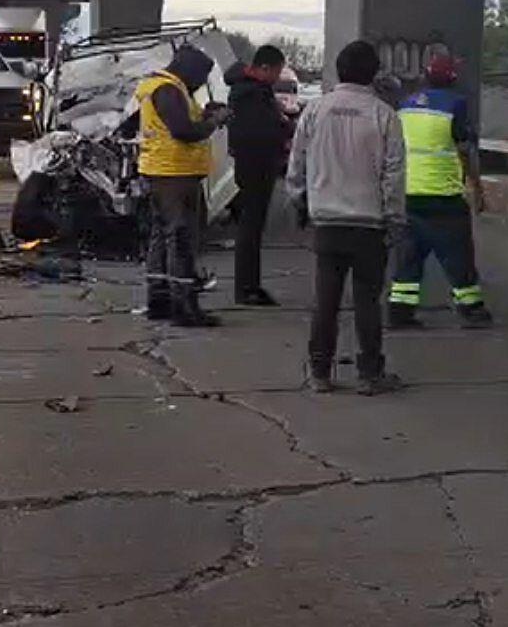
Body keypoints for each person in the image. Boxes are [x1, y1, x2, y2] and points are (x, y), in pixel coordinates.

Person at [286, 40, 407, 395]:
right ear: (373, 73)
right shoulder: (384, 115)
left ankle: (320, 373)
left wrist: (300, 201)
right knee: (367, 300)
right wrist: (394, 217)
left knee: (326, 301)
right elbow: (394, 173)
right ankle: (370, 374)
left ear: (338, 70)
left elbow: (297, 163)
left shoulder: (315, 111)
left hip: (327, 221)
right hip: (369, 223)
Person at [388, 53, 493, 329]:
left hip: (409, 194)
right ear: (453, 78)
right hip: (442, 196)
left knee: (408, 258)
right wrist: (477, 188)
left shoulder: (406, 104)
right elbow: (464, 149)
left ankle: (399, 312)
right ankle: (472, 309)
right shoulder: (456, 104)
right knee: (458, 255)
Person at [134, 43, 231, 327]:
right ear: (189, 71)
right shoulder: (168, 90)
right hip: (174, 173)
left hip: (163, 172)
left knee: (161, 238)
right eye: (200, 78)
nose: (200, 84)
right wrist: (214, 121)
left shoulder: (163, 88)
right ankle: (184, 307)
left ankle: (159, 300)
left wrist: (203, 113)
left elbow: (177, 124)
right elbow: (184, 132)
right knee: (180, 239)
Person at [223, 45, 293, 307]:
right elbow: (259, 130)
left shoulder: (251, 90)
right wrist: (283, 131)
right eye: (276, 71)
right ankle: (247, 288)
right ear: (264, 68)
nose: (277, 77)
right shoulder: (250, 93)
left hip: (254, 163)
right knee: (250, 227)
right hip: (255, 165)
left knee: (252, 227)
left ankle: (250, 285)